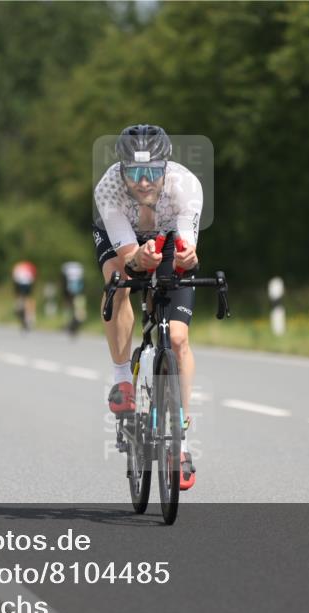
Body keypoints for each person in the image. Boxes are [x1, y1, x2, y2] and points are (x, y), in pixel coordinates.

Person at [93, 124, 202, 488]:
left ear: (165, 168)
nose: (143, 182)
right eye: (134, 172)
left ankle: (181, 443)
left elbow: (187, 252)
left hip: (167, 233)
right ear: (120, 170)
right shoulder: (108, 189)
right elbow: (130, 259)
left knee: (180, 340)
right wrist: (138, 259)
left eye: (152, 172)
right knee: (118, 281)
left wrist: (187, 256)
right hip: (124, 238)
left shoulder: (185, 187)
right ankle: (123, 378)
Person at [60, 260, 86, 335]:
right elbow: (82, 281)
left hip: (68, 290)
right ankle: (78, 319)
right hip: (79, 290)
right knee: (79, 306)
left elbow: (63, 280)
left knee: (68, 305)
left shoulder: (65, 267)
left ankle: (69, 322)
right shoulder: (79, 267)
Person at [11, 260, 37, 331]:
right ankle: (30, 316)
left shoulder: (18, 266)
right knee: (28, 299)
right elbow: (33, 277)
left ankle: (20, 310)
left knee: (21, 299)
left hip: (20, 284)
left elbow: (14, 277)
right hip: (28, 284)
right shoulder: (29, 266)